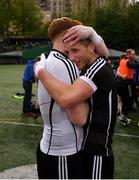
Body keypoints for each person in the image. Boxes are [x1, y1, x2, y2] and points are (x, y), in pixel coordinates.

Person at [34, 18, 117, 179]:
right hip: (67, 151)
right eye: (70, 51)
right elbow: (79, 117)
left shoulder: (50, 62)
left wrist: (40, 71)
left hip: (90, 150)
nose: (72, 57)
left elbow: (65, 100)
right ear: (67, 36)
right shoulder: (67, 64)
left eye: (76, 50)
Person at [117, 49, 139, 126]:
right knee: (128, 102)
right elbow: (134, 65)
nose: (134, 56)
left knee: (126, 101)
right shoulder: (128, 62)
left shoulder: (122, 60)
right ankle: (123, 118)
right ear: (128, 55)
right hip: (126, 84)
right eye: (133, 54)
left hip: (122, 84)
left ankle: (123, 117)